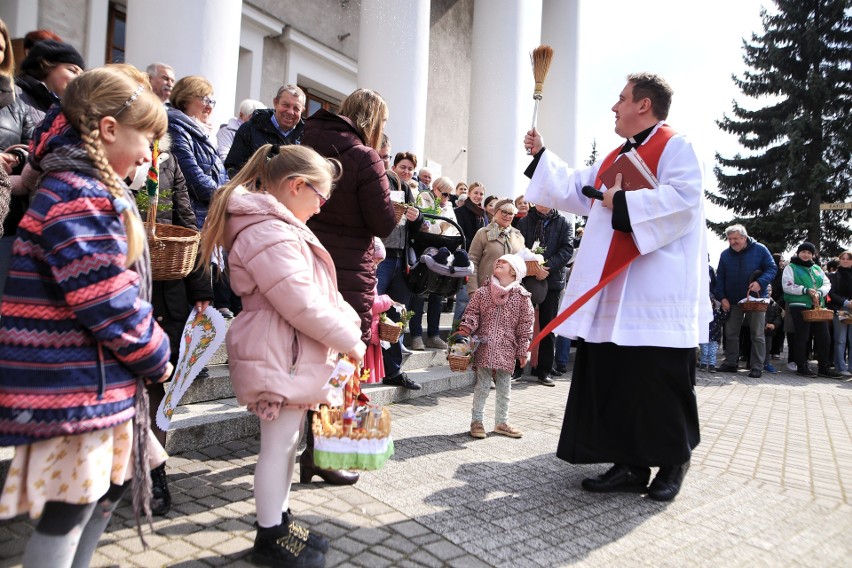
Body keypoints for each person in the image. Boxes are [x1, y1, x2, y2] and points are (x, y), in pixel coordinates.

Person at [0, 65, 173, 568]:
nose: (149, 155)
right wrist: (156, 354)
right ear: (109, 130)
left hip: (93, 382)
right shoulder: (80, 194)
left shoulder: (90, 188)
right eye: (147, 139)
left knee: (108, 490)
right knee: (68, 512)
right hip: (74, 386)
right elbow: (107, 301)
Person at [523, 72, 709, 502]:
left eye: (621, 99)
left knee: (656, 381)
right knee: (617, 377)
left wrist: (621, 202)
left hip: (655, 289)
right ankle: (629, 463)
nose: (614, 106)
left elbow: (684, 200)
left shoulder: (676, 146)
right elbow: (574, 188)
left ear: (644, 105)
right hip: (615, 289)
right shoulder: (615, 157)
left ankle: (672, 462)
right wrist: (541, 155)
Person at [198, 142, 363, 567]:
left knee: (286, 444)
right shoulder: (268, 229)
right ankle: (269, 534)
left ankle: (280, 520)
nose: (322, 207)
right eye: (320, 196)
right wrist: (350, 338)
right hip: (280, 350)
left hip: (286, 348)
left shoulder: (275, 225)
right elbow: (299, 301)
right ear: (295, 186)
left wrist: (348, 324)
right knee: (278, 446)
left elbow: (314, 292)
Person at [129, 135, 214, 516]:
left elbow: (186, 223)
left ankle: (153, 470)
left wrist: (200, 285)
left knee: (156, 387)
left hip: (166, 289)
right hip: (122, 284)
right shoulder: (110, 159)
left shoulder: (167, 162)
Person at [302, 88, 397, 345]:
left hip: (304, 255)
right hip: (347, 268)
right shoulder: (365, 157)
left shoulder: (305, 145)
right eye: (384, 121)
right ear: (374, 120)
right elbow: (383, 223)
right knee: (344, 350)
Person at [455, 254, 534, 439]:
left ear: (514, 271)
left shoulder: (522, 298)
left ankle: (501, 422)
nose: (498, 261)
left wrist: (523, 350)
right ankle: (477, 421)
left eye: (504, 262)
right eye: (497, 260)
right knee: (482, 385)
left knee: (505, 387)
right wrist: (466, 328)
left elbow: (525, 326)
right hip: (484, 344)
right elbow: (472, 312)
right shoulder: (483, 292)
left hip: (507, 347)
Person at [378, 149, 424, 390]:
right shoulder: (377, 182)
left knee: (396, 318)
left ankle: (393, 371)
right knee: (368, 313)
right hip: (378, 259)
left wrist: (417, 218)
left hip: (400, 259)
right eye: (402, 166)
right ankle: (357, 372)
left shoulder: (406, 190)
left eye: (410, 169)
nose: (406, 171)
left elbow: (420, 226)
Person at [517, 203, 574, 386]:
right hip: (528, 278)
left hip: (553, 280)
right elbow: (518, 247)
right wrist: (533, 267)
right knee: (523, 324)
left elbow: (567, 249)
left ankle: (544, 370)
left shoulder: (564, 222)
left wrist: (547, 267)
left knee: (548, 327)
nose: (544, 202)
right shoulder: (524, 221)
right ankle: (516, 368)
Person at [0, 18, 36, 294]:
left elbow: (31, 149)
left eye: (1, 48)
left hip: (6, 216)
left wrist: (16, 158)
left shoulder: (17, 100)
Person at [715, 224, 777, 378]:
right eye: (729, 239)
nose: (732, 242)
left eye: (735, 238)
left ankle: (757, 366)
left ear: (744, 237)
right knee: (731, 333)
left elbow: (772, 268)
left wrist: (760, 282)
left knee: (757, 334)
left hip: (756, 300)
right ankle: (730, 363)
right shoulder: (725, 255)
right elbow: (720, 278)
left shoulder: (760, 249)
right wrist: (722, 297)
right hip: (733, 299)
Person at [782, 242, 841, 379]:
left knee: (824, 337)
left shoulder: (816, 268)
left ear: (812, 255)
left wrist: (819, 293)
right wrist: (805, 290)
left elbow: (827, 283)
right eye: (803, 252)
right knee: (802, 336)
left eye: (809, 253)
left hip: (817, 307)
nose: (806, 255)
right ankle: (802, 366)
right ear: (799, 253)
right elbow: (787, 285)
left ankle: (824, 367)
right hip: (799, 305)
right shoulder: (791, 267)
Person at [225, 84, 306, 176]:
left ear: (302, 110)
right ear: (275, 103)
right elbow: (232, 168)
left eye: (296, 108)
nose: (290, 112)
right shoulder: (250, 129)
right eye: (286, 105)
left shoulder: (307, 138)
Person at [16, 40, 84, 126]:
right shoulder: (14, 95)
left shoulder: (66, 112)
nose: (78, 79)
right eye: (72, 70)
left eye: (81, 75)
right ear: (47, 66)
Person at [452, 180, 487, 321]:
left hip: (480, 262)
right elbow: (460, 235)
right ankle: (455, 337)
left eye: (481, 194)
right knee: (463, 301)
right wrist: (478, 246)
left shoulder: (482, 214)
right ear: (469, 193)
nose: (478, 196)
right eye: (476, 193)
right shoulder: (460, 212)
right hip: (466, 260)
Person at [365, 237, 394, 384]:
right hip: (367, 331)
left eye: (378, 263)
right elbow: (370, 304)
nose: (376, 266)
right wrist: (387, 301)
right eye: (375, 261)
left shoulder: (370, 276)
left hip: (370, 329)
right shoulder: (365, 277)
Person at [828, 251, 852, 377]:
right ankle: (840, 366)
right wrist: (845, 302)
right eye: (843, 259)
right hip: (841, 308)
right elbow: (831, 293)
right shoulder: (834, 276)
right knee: (841, 339)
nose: (846, 261)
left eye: (848, 259)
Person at [699, 264, 724, 372]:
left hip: (714, 336)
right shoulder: (702, 313)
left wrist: (725, 309)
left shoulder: (716, 313)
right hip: (705, 335)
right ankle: (703, 364)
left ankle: (712, 365)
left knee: (712, 351)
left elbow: (723, 317)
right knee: (704, 351)